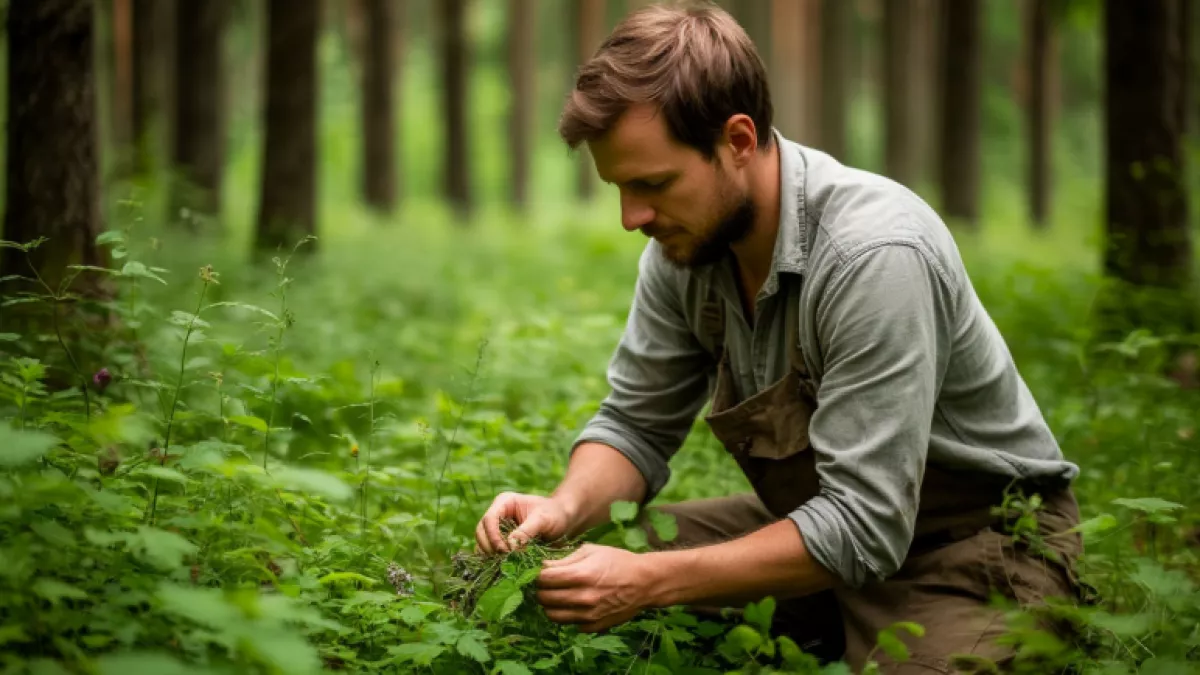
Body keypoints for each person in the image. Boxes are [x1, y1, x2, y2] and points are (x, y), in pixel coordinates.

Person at [474, 2, 1089, 671]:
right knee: (555, 577)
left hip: (977, 548)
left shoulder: (873, 256)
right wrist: (564, 508)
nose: (632, 217)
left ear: (738, 140)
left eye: (653, 184)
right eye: (619, 188)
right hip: (819, 534)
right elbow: (635, 425)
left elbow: (865, 522)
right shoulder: (685, 247)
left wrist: (648, 581)